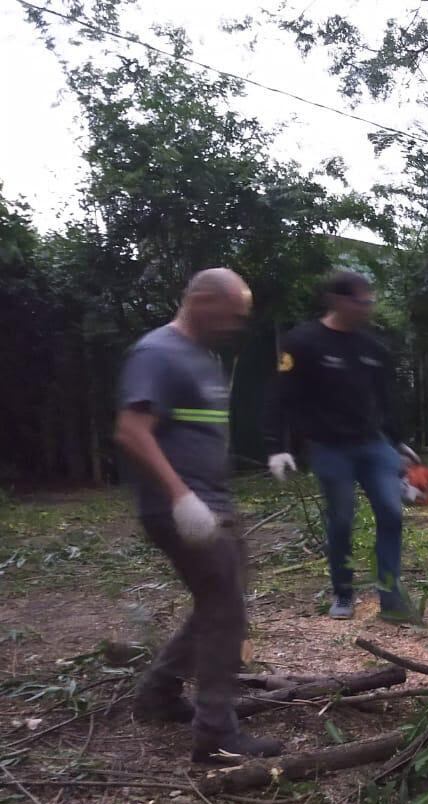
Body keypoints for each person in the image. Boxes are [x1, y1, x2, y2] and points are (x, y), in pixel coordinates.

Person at [117, 268, 283, 764]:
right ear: (203, 300)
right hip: (182, 507)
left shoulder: (203, 357)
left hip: (214, 503)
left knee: (219, 602)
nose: (236, 325)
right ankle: (215, 734)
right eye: (231, 314)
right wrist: (181, 498)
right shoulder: (157, 353)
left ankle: (159, 693)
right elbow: (131, 430)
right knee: (225, 609)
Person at [263, 270, 420, 623]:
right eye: (361, 300)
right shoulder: (303, 343)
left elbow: (385, 399)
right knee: (342, 521)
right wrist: (277, 446)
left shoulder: (372, 348)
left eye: (370, 300)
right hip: (329, 448)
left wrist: (398, 442)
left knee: (392, 513)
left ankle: (391, 597)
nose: (368, 307)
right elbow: (279, 395)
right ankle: (343, 593)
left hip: (373, 445)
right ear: (337, 300)